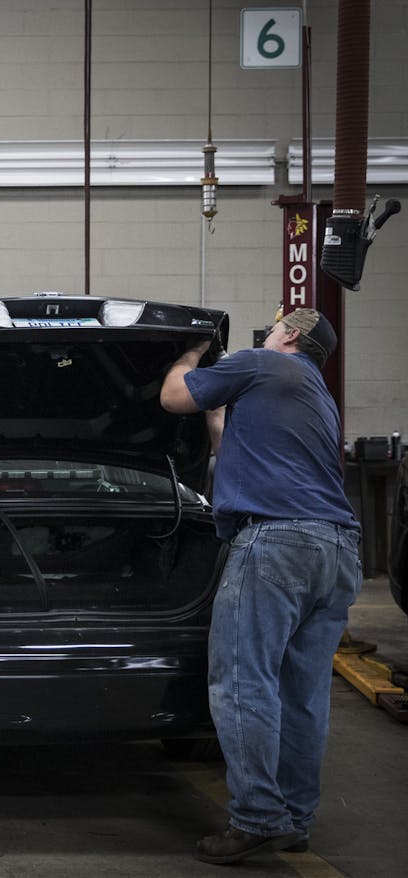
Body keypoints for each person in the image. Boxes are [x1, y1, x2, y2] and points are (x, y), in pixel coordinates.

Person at [160, 307, 362, 865]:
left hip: (277, 543)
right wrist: (216, 406)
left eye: (276, 326)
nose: (267, 332)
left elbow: (175, 397)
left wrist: (188, 356)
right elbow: (228, 440)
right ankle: (293, 820)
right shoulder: (310, 390)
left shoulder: (263, 364)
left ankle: (256, 818)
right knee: (302, 696)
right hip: (336, 550)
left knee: (244, 682)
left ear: (292, 335)